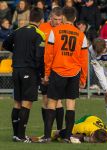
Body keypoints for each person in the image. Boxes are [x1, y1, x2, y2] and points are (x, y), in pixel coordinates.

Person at [40, 6, 88, 143]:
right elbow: (84, 60)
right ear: (75, 19)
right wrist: (83, 78)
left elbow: (48, 55)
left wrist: (47, 73)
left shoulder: (54, 32)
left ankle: (47, 136)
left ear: (64, 17)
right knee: (70, 104)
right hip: (74, 73)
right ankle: (67, 137)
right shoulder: (81, 35)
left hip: (57, 71)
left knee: (52, 102)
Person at [2, 7, 45, 142]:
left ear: (29, 18)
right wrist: (42, 73)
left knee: (17, 103)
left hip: (16, 70)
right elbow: (39, 56)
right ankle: (21, 136)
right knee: (26, 104)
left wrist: (18, 50)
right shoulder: (39, 34)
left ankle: (16, 135)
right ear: (41, 20)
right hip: (29, 70)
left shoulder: (18, 31)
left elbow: (5, 44)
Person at [39, 7, 64, 131]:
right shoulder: (42, 28)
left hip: (58, 68)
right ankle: (47, 129)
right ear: (50, 18)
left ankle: (59, 130)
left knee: (57, 100)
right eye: (56, 19)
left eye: (60, 19)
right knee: (45, 99)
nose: (58, 22)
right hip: (44, 67)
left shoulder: (63, 30)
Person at [33, 115, 107, 143]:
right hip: (88, 118)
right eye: (93, 140)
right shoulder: (83, 127)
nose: (92, 142)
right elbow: (68, 131)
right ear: (92, 134)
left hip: (96, 123)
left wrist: (84, 139)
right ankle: (45, 137)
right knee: (66, 133)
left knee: (80, 137)